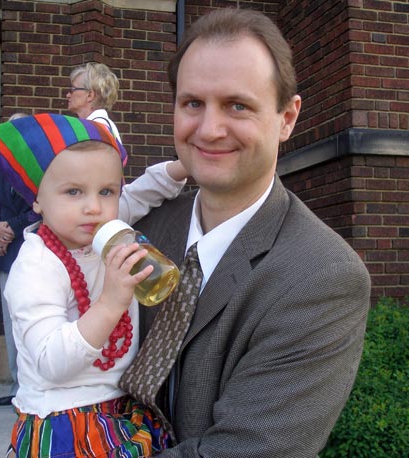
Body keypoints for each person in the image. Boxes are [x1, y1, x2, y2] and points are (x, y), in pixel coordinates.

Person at [120, 8, 371, 457]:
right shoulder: (144, 228)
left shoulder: (322, 276)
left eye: (237, 105)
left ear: (287, 117)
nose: (209, 129)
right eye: (192, 103)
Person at [0, 113, 186, 457]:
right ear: (37, 199)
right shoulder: (38, 264)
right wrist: (111, 304)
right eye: (73, 191)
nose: (93, 207)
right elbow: (51, 361)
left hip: (119, 408)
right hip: (66, 420)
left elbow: (147, 190)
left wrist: (187, 166)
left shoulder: (105, 231)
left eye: (107, 191)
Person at [0, 112, 39, 407]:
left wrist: (10, 231)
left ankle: (29, 389)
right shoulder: (3, 170)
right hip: (5, 257)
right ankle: (18, 388)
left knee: (27, 323)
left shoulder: (37, 168)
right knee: (9, 323)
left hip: (27, 252)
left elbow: (38, 210)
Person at [66, 62, 123, 143]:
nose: (68, 95)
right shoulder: (101, 125)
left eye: (73, 89)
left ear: (90, 95)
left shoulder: (96, 128)